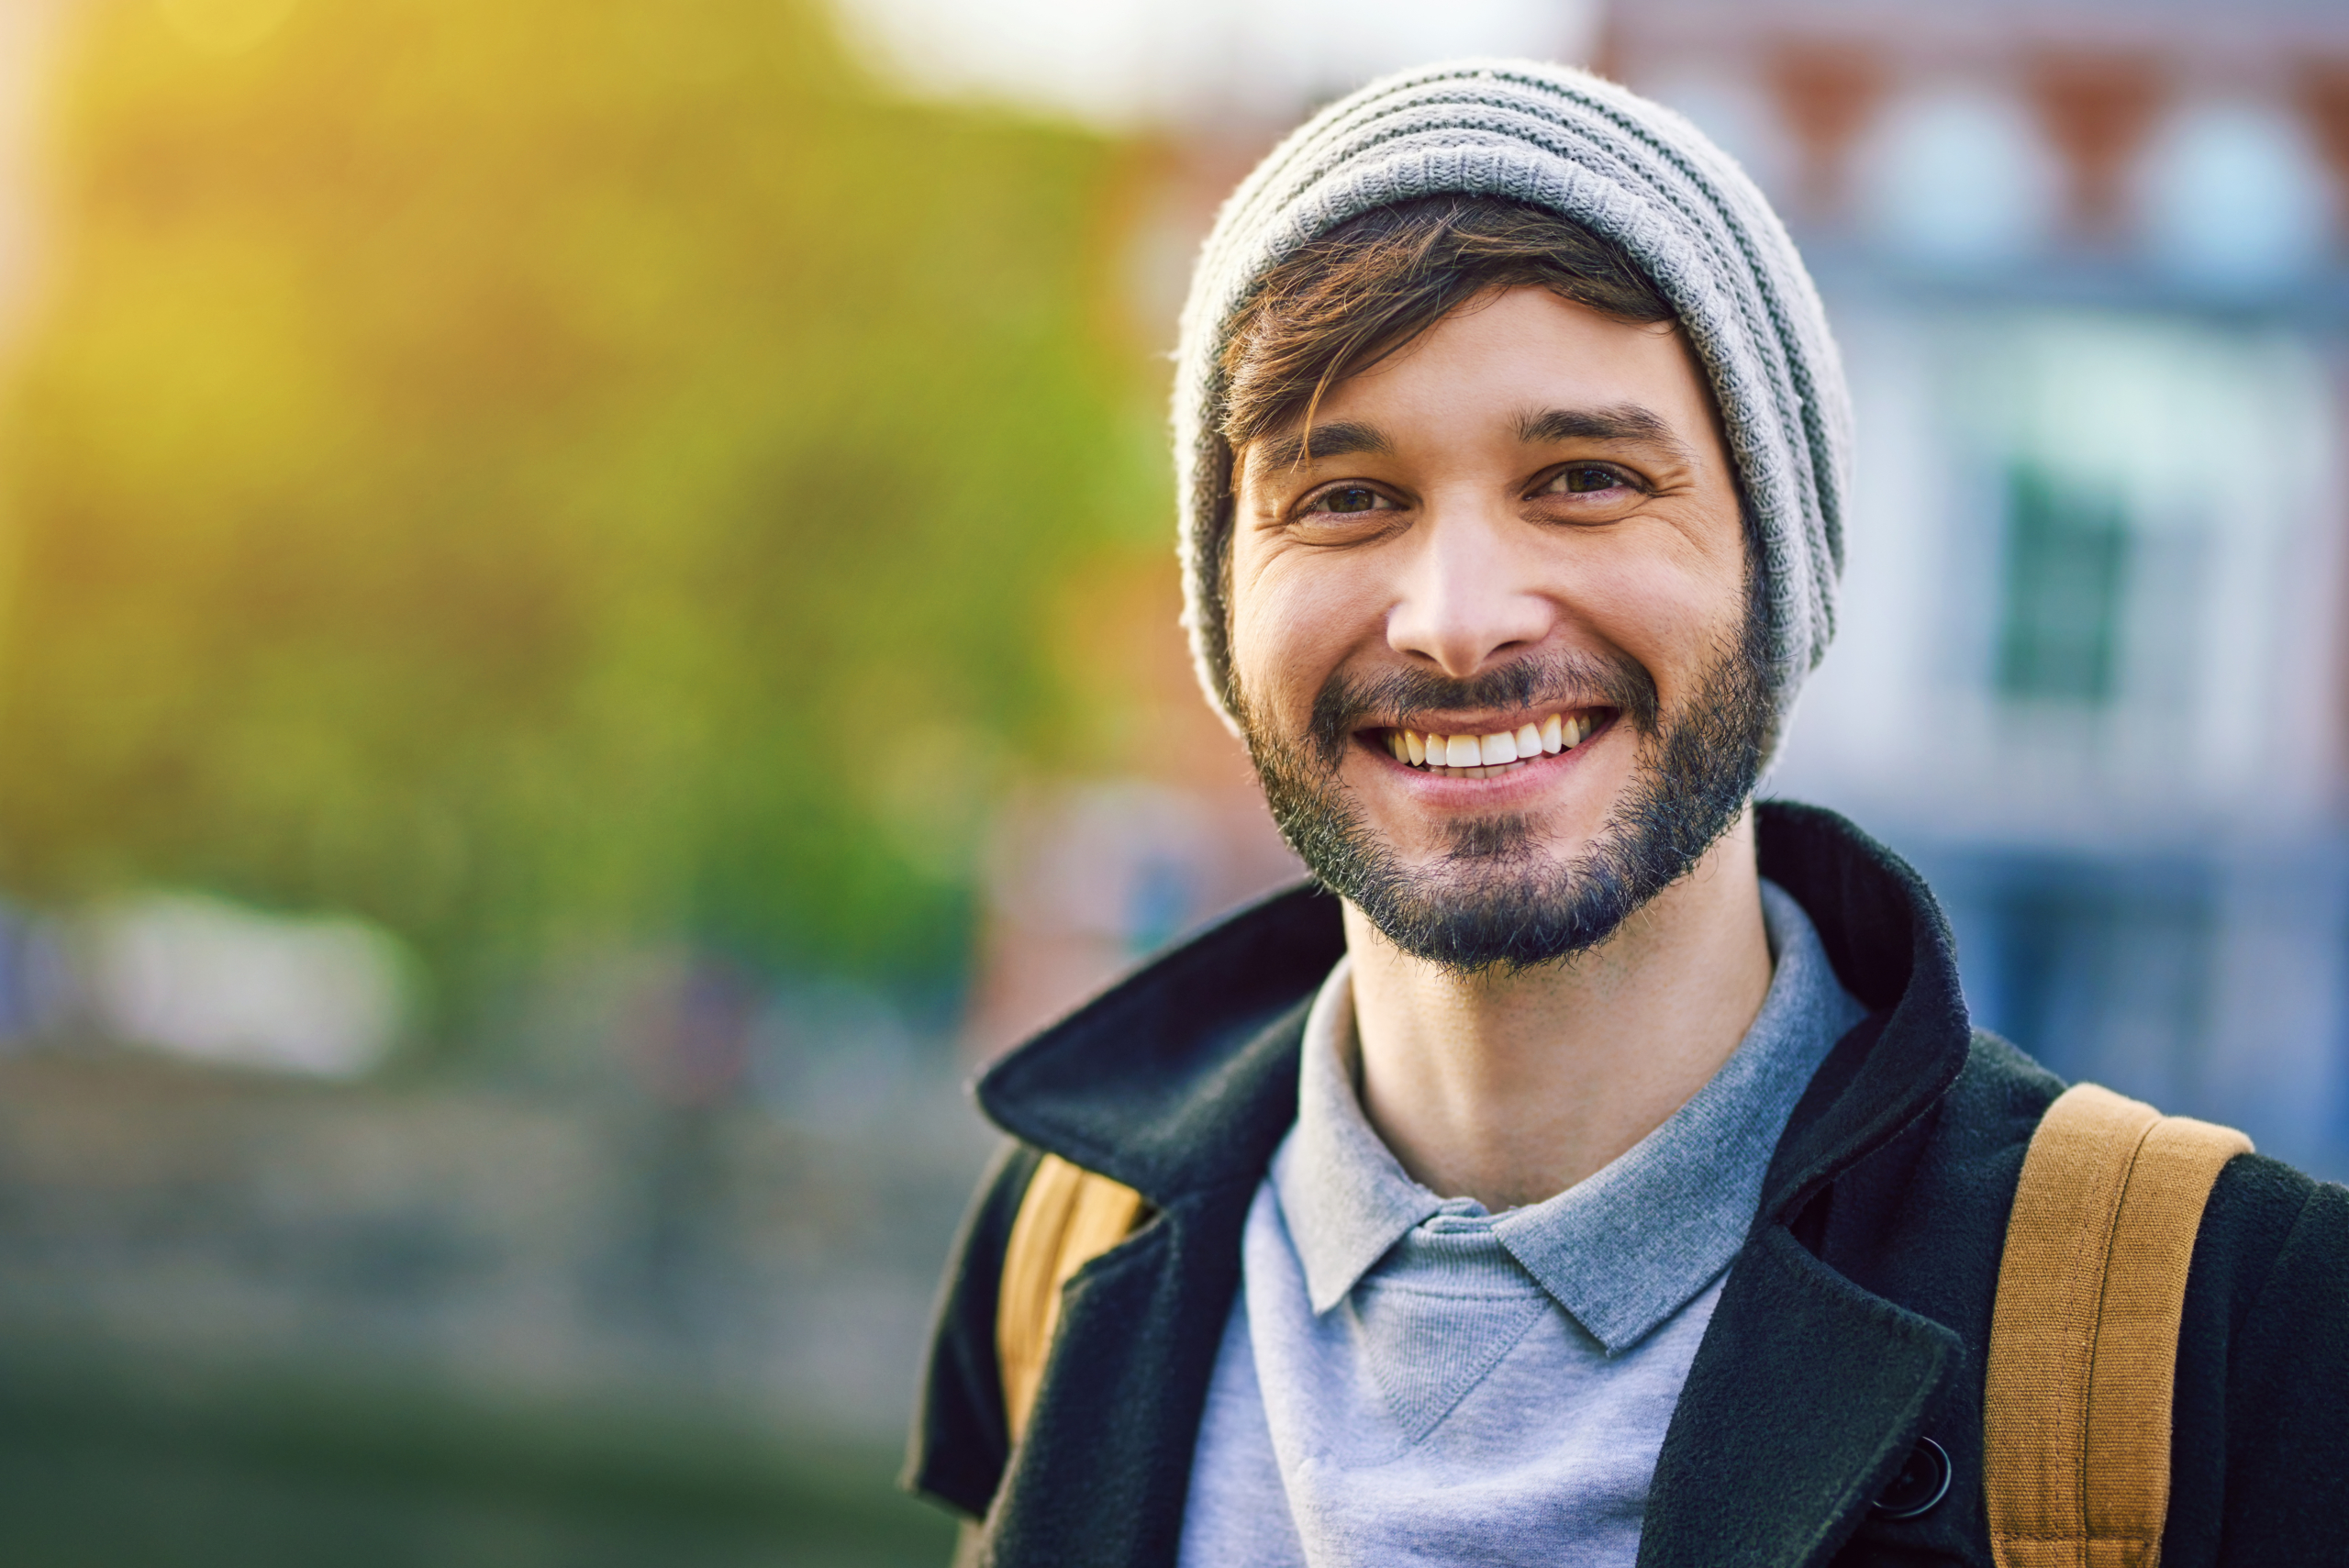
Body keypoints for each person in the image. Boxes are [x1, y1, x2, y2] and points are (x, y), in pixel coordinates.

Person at [905, 61, 2348, 1566]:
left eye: (1584, 478)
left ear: (1777, 570)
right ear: (1223, 604)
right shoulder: (1065, 1245)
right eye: (1344, 497)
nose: (1458, 620)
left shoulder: (2240, 1328)